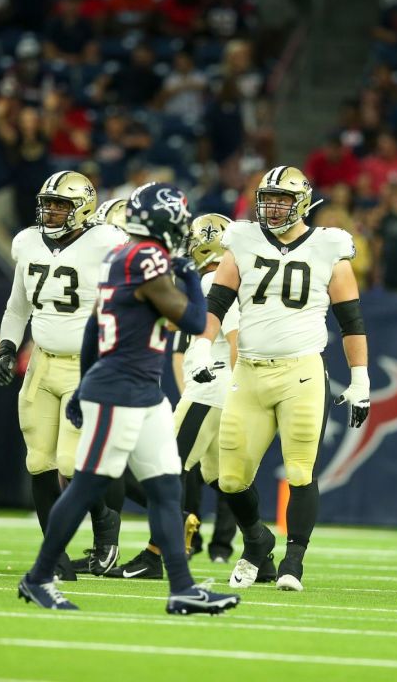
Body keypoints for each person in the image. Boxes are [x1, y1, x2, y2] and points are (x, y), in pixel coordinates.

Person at [18, 182, 242, 615]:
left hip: (142, 389)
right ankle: (38, 577)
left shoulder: (123, 256)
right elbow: (196, 319)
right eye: (177, 220)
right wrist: (191, 271)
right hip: (119, 390)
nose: (183, 228)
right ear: (162, 222)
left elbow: (91, 330)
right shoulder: (144, 257)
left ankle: (181, 589)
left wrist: (82, 385)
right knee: (86, 486)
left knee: (165, 489)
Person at [185, 166, 371, 592]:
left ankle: (293, 561)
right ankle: (258, 540)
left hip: (301, 371)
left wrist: (359, 379)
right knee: (230, 478)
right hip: (248, 371)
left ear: (302, 202)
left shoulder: (329, 247)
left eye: (282, 200)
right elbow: (215, 304)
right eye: (267, 198)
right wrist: (199, 346)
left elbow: (352, 323)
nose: (272, 207)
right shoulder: (242, 240)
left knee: (301, 471)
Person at [0, 172, 130, 578]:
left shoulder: (106, 244)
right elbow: (17, 307)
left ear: (83, 208)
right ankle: (55, 555)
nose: (50, 212)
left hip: (85, 367)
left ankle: (105, 524)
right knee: (39, 462)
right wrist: (6, 347)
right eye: (47, 203)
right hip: (41, 363)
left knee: (72, 463)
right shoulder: (28, 242)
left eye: (60, 205)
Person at [111, 213, 241, 579]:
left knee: (165, 465)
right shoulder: (206, 279)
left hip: (212, 390)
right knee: (226, 479)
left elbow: (235, 341)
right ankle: (260, 548)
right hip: (216, 391)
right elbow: (173, 323)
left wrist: (231, 389)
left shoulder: (218, 278)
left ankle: (156, 555)